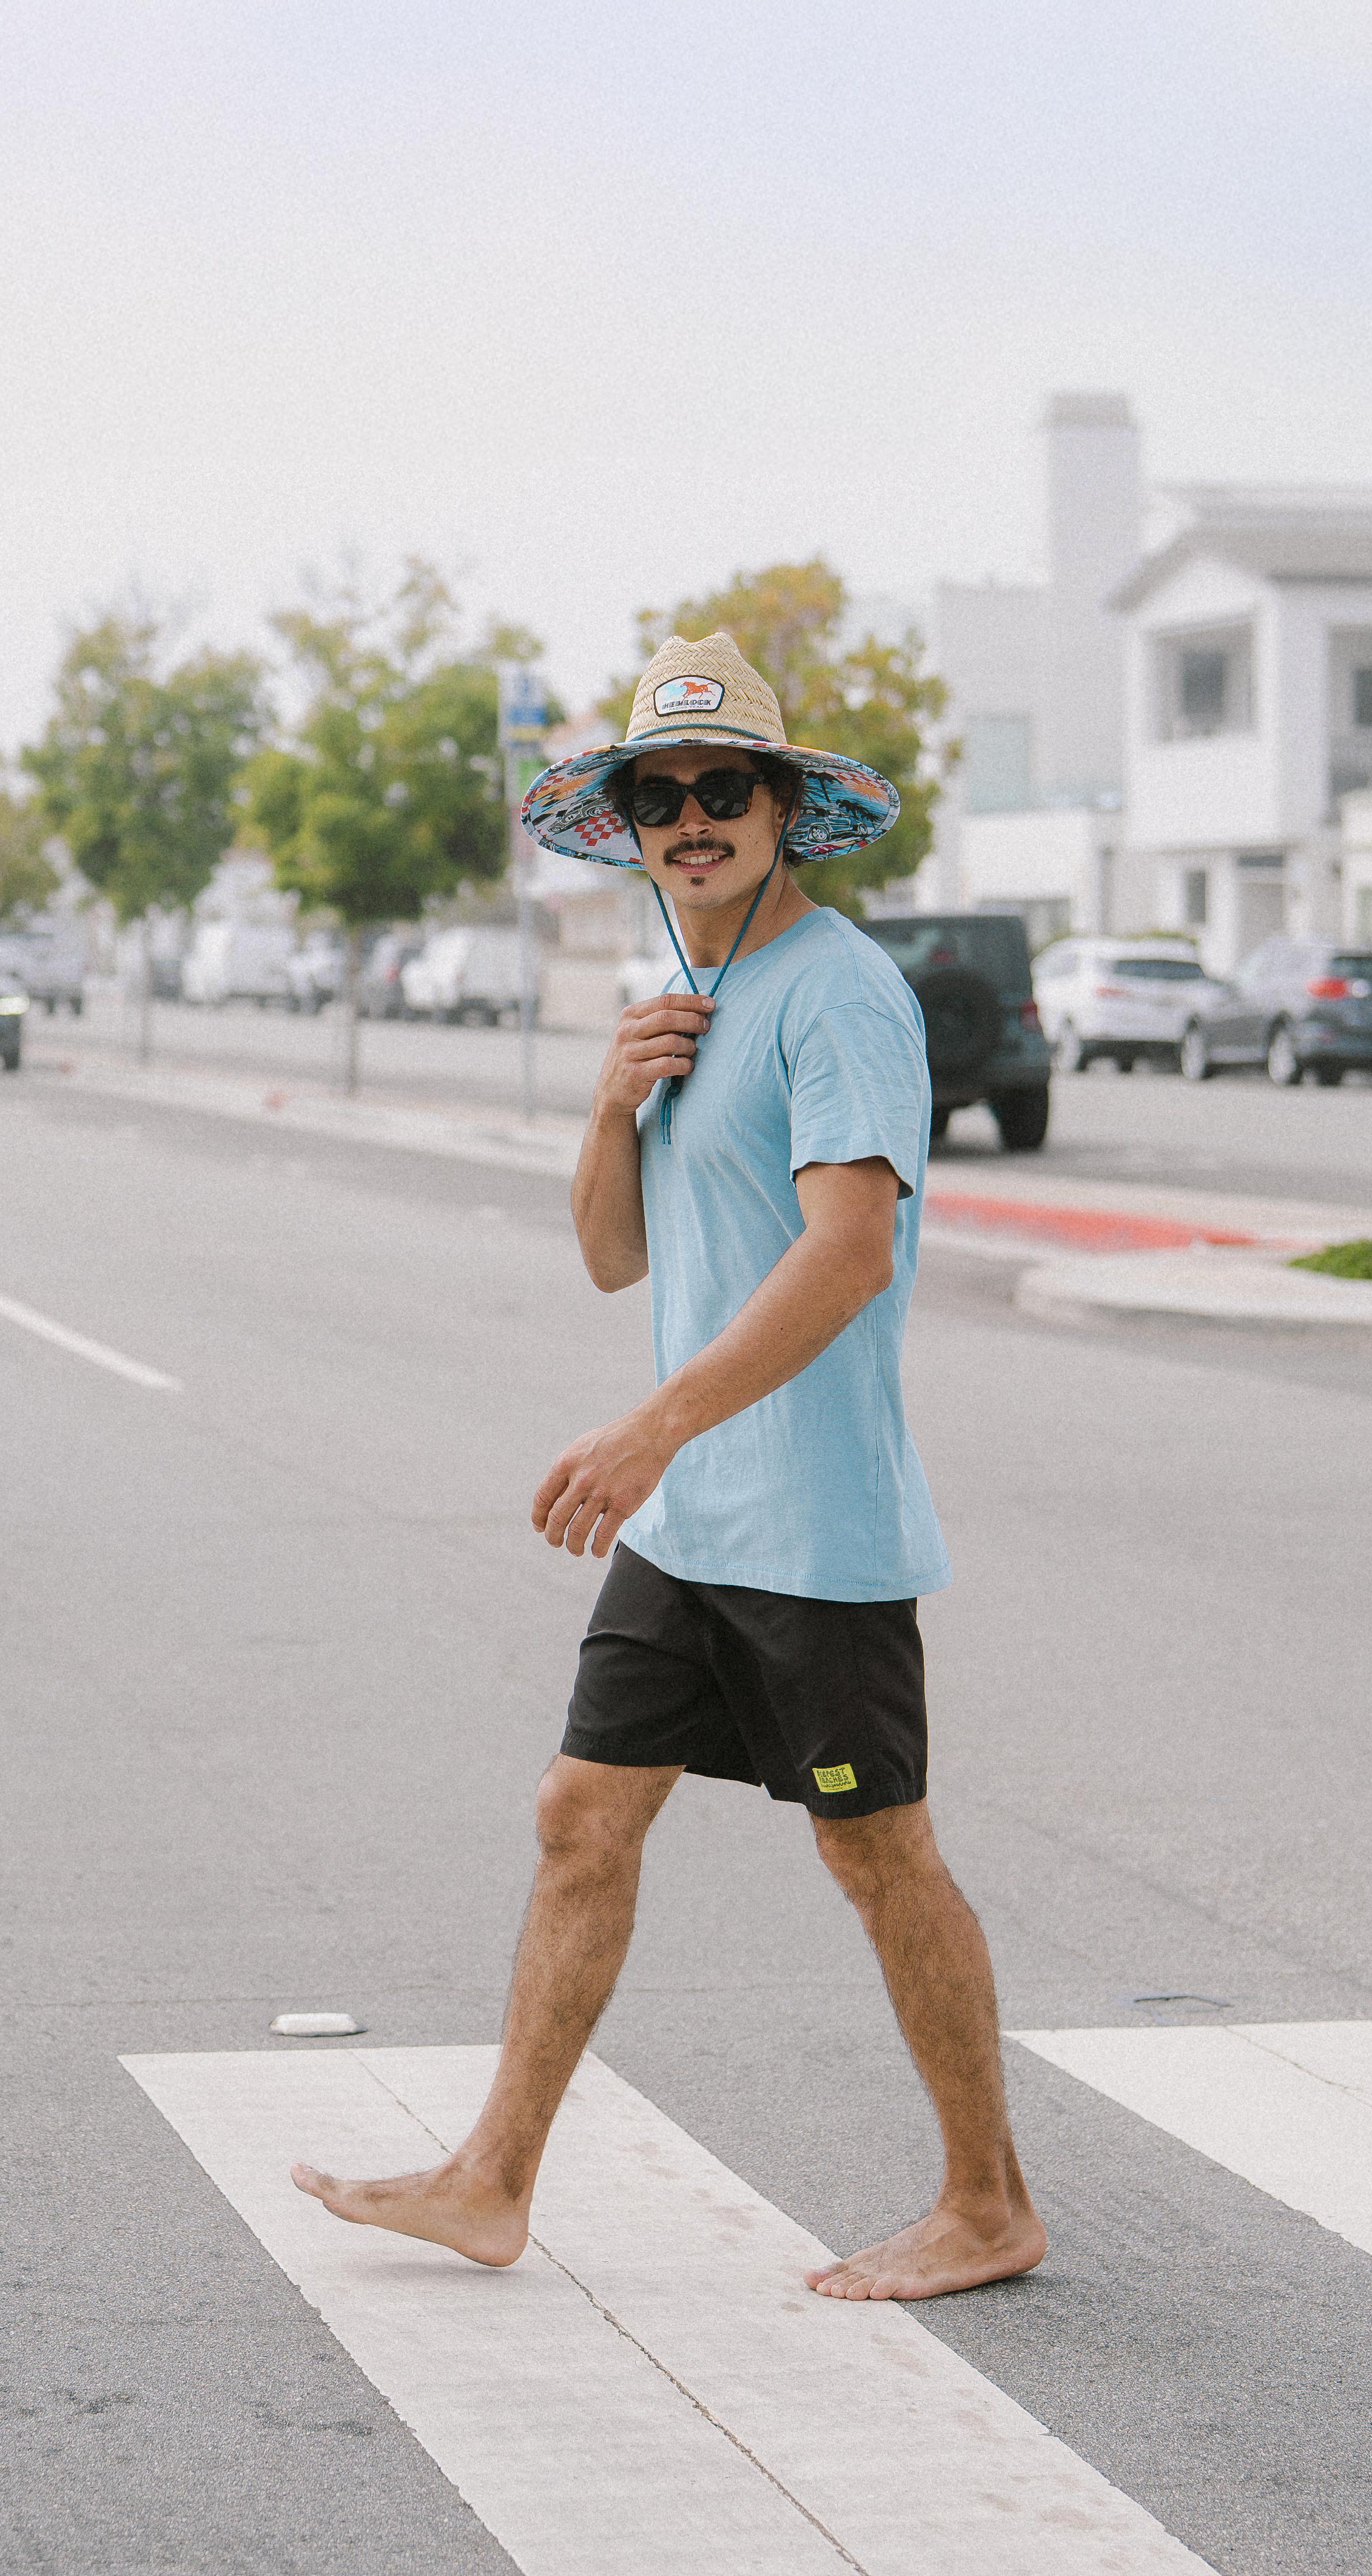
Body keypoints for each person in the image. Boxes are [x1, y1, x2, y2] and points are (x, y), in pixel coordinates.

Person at [294, 633, 1045, 2302]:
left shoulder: (840, 989)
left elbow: (849, 1252)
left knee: (878, 1851)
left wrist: (650, 1428)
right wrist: (609, 1100)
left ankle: (989, 2201)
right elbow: (614, 1258)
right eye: (662, 795)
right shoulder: (692, 1006)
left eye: (725, 789)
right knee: (580, 1816)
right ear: (627, 824)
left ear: (786, 808)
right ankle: (492, 2178)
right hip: (701, 1522)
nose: (693, 818)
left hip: (814, 1528)